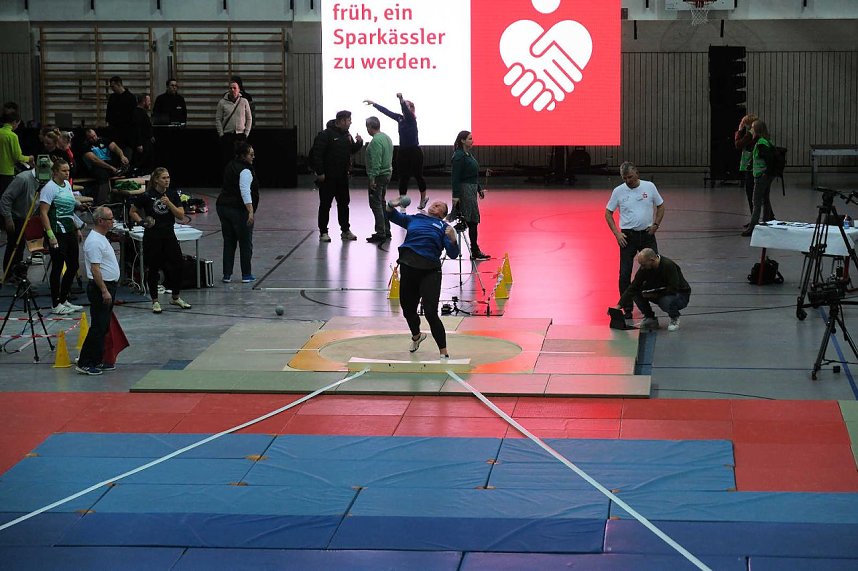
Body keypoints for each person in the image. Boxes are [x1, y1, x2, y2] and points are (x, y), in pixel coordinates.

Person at [385, 196, 459, 358]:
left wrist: (453, 239)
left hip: (429, 271)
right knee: (408, 310)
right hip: (408, 266)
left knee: (431, 313)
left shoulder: (443, 227)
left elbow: (453, 254)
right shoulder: (415, 219)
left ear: (443, 214)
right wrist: (391, 205)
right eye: (434, 203)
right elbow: (391, 216)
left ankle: (443, 353)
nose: (435, 205)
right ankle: (417, 336)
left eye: (439, 205)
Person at [605, 161, 665, 320]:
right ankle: (627, 308)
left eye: (630, 177)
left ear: (637, 173)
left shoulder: (649, 187)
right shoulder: (618, 191)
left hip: (647, 235)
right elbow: (608, 213)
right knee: (624, 274)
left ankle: (650, 305)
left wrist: (656, 225)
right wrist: (617, 234)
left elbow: (661, 206)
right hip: (627, 237)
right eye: (624, 178)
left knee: (654, 268)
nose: (628, 181)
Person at [129, 167, 191, 313]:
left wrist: (169, 203)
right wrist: (142, 222)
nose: (167, 180)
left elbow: (181, 215)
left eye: (168, 177)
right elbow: (133, 211)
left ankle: (175, 297)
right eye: (163, 178)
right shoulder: (147, 195)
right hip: (153, 237)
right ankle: (155, 301)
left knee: (178, 265)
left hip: (169, 235)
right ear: (156, 179)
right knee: (153, 268)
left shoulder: (172, 194)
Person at [76, 206, 120, 376]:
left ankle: (97, 359)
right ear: (100, 221)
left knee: (102, 326)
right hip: (101, 288)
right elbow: (95, 270)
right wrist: (104, 291)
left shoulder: (101, 237)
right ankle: (85, 362)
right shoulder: (94, 241)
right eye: (110, 219)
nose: (112, 221)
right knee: (98, 327)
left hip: (109, 286)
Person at [364, 93, 427, 209]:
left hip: (415, 151)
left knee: (418, 176)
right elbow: (387, 112)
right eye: (405, 106)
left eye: (408, 106)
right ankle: (403, 201)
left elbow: (406, 111)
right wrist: (374, 104)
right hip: (403, 151)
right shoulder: (400, 118)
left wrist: (401, 99)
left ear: (412, 109)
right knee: (403, 177)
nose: (405, 108)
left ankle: (423, 199)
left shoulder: (412, 119)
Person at [38, 158, 84, 315]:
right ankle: (55, 303)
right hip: (56, 233)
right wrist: (50, 236)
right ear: (55, 172)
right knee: (57, 267)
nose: (67, 173)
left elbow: (70, 210)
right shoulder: (49, 188)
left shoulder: (67, 185)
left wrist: (77, 227)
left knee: (73, 266)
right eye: (64, 171)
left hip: (69, 231)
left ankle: (64, 299)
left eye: (68, 170)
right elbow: (43, 213)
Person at [310, 110, 363, 242]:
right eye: (348, 120)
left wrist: (359, 143)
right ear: (341, 121)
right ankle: (323, 232)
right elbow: (317, 154)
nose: (350, 122)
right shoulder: (325, 135)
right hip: (328, 178)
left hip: (342, 178)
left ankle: (345, 230)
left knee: (344, 204)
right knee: (325, 205)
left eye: (350, 119)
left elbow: (351, 150)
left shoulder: (347, 135)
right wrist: (320, 172)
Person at [614, 248, 690, 332]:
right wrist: (619, 305)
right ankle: (650, 317)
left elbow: (673, 288)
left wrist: (655, 294)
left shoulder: (668, 265)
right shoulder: (645, 268)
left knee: (665, 300)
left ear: (652, 260)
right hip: (660, 291)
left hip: (680, 294)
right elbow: (633, 287)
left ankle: (674, 318)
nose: (642, 267)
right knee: (636, 293)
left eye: (643, 264)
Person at [216, 142, 258, 283]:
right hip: (237, 210)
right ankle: (246, 274)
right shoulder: (245, 170)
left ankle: (226, 275)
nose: (253, 157)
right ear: (243, 155)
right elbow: (245, 191)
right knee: (245, 242)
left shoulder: (230, 165)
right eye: (251, 154)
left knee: (229, 241)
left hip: (223, 207)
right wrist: (250, 211)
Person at [450, 130, 490, 260]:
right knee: (472, 220)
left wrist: (479, 189)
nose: (472, 141)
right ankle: (474, 250)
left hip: (471, 190)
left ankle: (474, 250)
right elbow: (455, 177)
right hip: (464, 190)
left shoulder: (468, 154)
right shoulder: (459, 156)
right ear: (462, 140)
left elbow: (473, 175)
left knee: (472, 220)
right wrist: (456, 195)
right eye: (469, 138)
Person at [1, 168, 40, 282]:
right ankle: (9, 275)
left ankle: (17, 274)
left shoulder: (44, 180)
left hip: (28, 217)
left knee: (21, 247)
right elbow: (6, 198)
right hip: (15, 217)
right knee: (14, 246)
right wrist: (8, 218)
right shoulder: (22, 179)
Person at [741, 120, 776, 237]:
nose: (751, 131)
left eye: (752, 128)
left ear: (756, 130)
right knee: (765, 200)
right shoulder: (765, 141)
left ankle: (752, 228)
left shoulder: (761, 144)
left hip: (761, 176)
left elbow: (769, 161)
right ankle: (767, 223)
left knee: (756, 203)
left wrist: (765, 173)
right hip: (765, 176)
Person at [81, 128, 130, 205]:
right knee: (103, 174)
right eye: (91, 138)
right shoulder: (85, 146)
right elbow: (94, 160)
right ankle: (102, 201)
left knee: (127, 155)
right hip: (96, 166)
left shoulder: (103, 140)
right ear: (87, 138)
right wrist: (111, 167)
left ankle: (121, 198)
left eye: (94, 136)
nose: (94, 138)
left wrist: (122, 156)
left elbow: (114, 147)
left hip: (109, 164)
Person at [365, 116, 393, 244]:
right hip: (387, 173)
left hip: (379, 175)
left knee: (375, 204)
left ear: (370, 127)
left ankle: (380, 232)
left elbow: (376, 161)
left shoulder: (375, 141)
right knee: (381, 202)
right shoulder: (386, 137)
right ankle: (386, 230)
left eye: (367, 127)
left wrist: (372, 179)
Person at [216, 80, 252, 167]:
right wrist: (221, 134)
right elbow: (218, 119)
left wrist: (246, 133)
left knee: (242, 161)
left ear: (239, 90)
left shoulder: (244, 101)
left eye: (234, 88)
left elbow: (249, 118)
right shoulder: (222, 102)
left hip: (240, 136)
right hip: (228, 135)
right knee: (228, 161)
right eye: (230, 88)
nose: (232, 90)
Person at [0, 109, 33, 197]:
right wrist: (29, 158)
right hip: (7, 172)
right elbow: (17, 156)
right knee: (6, 197)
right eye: (18, 124)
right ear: (14, 122)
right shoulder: (12, 136)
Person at [734, 113, 759, 222]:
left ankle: (754, 220)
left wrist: (739, 130)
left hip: (750, 167)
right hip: (756, 167)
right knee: (759, 195)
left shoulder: (750, 134)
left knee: (751, 194)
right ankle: (766, 217)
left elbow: (738, 144)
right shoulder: (758, 133)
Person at [105, 76, 136, 152]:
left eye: (113, 86)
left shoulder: (130, 97)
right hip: (114, 131)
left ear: (119, 84)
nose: (112, 89)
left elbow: (133, 115)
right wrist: (108, 122)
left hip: (126, 131)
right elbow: (108, 111)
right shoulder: (112, 97)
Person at [130, 93, 155, 174]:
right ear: (144, 101)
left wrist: (151, 136)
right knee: (142, 165)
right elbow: (137, 129)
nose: (150, 103)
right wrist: (139, 144)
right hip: (142, 144)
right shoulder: (137, 113)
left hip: (146, 142)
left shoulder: (142, 112)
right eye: (149, 101)